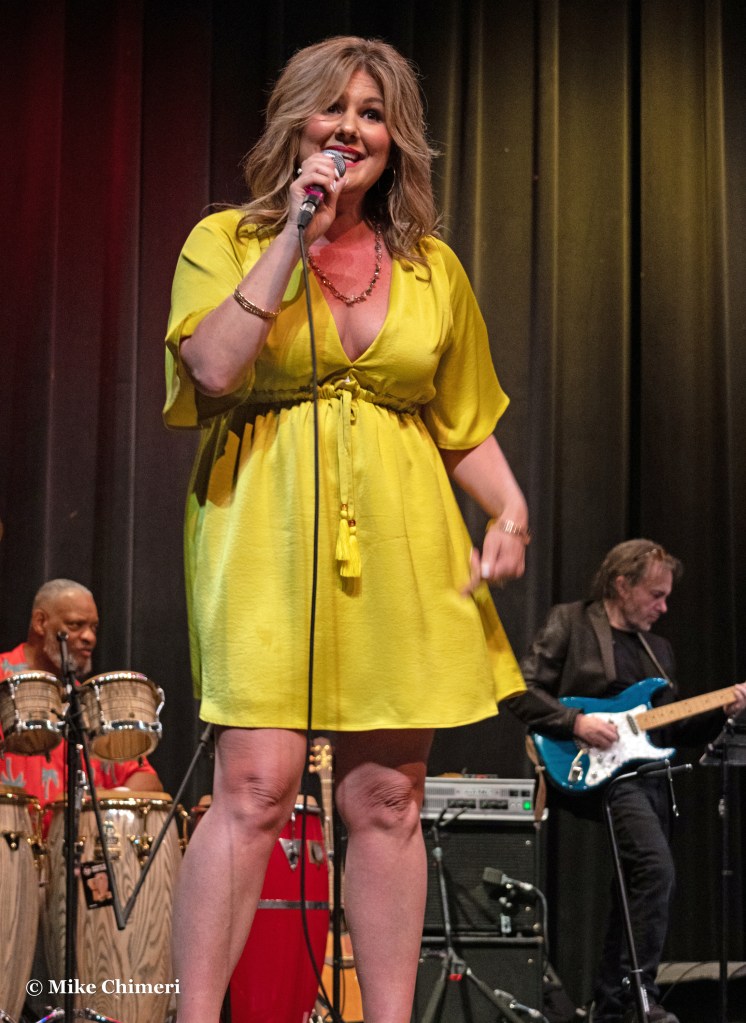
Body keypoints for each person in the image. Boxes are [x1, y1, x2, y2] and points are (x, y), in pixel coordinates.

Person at [164, 35, 529, 1023]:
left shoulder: (432, 267)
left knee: (387, 798)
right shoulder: (225, 240)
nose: (352, 129)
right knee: (255, 784)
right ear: (297, 121)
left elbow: (461, 420)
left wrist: (508, 509)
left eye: (373, 114)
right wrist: (295, 230)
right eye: (335, 109)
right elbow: (213, 368)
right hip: (263, 531)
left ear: (395, 138)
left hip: (402, 537)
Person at [503, 540, 746, 1023]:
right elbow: (518, 690)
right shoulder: (571, 622)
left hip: (648, 775)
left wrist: (723, 709)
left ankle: (613, 1004)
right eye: (656, 595)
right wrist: (575, 722)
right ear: (621, 584)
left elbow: (671, 730)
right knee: (655, 871)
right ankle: (639, 996)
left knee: (641, 882)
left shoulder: (659, 651)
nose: (664, 607)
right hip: (594, 767)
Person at [0, 578, 161, 801]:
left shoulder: (90, 702)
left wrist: (102, 801)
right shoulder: (3, 678)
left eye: (93, 627)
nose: (89, 637)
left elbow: (147, 779)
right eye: (75, 625)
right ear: (40, 622)